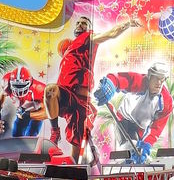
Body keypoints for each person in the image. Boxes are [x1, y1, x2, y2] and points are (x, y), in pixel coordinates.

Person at [53, 11, 137, 161]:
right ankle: (56, 131)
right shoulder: (71, 46)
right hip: (66, 92)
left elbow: (111, 34)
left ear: (89, 28)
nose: (80, 25)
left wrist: (126, 24)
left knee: (76, 143)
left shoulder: (88, 37)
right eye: (78, 22)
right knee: (50, 93)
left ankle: (82, 162)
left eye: (84, 23)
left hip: (78, 96)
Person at [94, 61, 174, 157]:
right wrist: (110, 84)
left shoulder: (167, 102)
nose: (159, 83)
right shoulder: (140, 81)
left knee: (139, 155)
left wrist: (147, 145)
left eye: (162, 79)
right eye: (156, 78)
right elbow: (119, 79)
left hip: (141, 129)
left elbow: (156, 128)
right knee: (128, 148)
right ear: (150, 76)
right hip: (124, 120)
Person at [0, 64, 50, 145]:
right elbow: (3, 94)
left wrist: (29, 115)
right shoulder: (7, 84)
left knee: (30, 137)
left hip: (36, 113)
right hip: (21, 112)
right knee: (16, 136)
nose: (19, 90)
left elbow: (47, 112)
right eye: (16, 86)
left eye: (21, 86)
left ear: (30, 83)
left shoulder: (39, 89)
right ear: (10, 83)